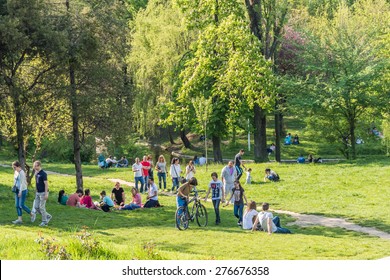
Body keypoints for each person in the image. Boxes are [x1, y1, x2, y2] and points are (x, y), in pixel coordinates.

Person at [31, 161, 52, 226]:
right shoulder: (36, 173)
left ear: (39, 166)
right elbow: (36, 183)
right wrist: (36, 190)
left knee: (41, 207)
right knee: (36, 207)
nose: (34, 167)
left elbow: (46, 184)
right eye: (34, 166)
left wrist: (46, 194)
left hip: (43, 192)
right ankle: (48, 216)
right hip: (38, 192)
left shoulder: (43, 174)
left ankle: (44, 222)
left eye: (35, 166)